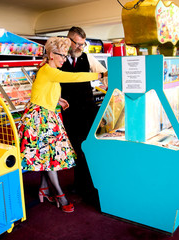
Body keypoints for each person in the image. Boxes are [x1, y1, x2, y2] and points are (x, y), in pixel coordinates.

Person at [17, 36, 106, 213]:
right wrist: (101, 74)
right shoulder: (49, 71)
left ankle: (44, 187)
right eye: (61, 55)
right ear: (51, 54)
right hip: (40, 118)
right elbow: (73, 77)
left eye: (65, 56)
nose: (64, 59)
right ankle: (60, 194)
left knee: (46, 154)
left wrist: (57, 100)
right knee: (51, 157)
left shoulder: (47, 70)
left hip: (46, 114)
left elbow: (42, 89)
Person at [59, 26, 107, 204]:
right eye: (77, 43)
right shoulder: (59, 58)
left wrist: (112, 88)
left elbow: (104, 74)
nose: (80, 47)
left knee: (88, 147)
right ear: (68, 41)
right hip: (69, 111)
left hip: (87, 110)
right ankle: (78, 184)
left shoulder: (88, 57)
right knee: (76, 150)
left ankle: (89, 185)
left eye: (82, 44)